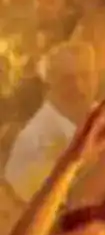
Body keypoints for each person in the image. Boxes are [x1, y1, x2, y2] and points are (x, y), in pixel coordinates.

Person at [4, 42, 98, 203]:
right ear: (50, 85)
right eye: (67, 79)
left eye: (85, 75)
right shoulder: (33, 142)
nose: (78, 85)